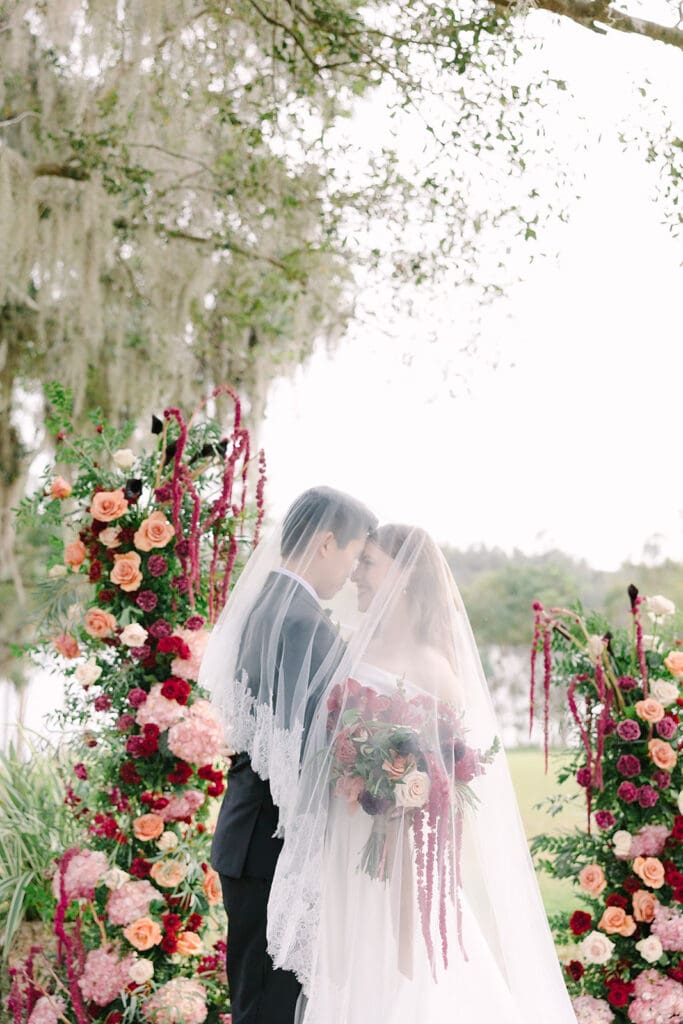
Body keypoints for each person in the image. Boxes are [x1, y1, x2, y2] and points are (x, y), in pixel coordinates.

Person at [265, 523, 578, 1024]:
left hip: (399, 855)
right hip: (342, 841)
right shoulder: (349, 649)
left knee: (400, 977)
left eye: (369, 564)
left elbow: (447, 779)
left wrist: (395, 790)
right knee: (343, 970)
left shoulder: (436, 670)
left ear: (404, 575)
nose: (357, 576)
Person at [201, 487, 377, 1024]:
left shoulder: (270, 604)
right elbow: (308, 751)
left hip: (253, 839)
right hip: (270, 851)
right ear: (327, 544)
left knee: (261, 1001)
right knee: (268, 1008)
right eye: (354, 554)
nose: (352, 572)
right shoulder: (299, 621)